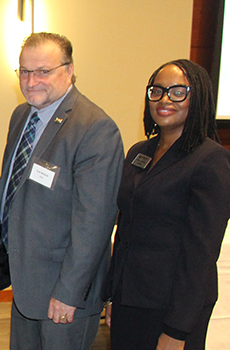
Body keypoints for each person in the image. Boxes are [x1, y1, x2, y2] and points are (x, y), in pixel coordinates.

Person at [0, 32, 124, 349]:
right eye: (24, 71)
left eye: (43, 71)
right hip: (26, 282)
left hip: (64, 293)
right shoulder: (22, 116)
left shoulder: (95, 128)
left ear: (69, 70)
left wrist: (68, 293)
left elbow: (94, 223)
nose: (31, 81)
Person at [103, 59, 230, 350]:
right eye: (157, 91)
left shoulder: (210, 160)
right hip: (129, 298)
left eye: (177, 92)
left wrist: (177, 329)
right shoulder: (140, 151)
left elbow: (201, 254)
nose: (164, 100)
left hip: (172, 306)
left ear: (197, 97)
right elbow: (125, 229)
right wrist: (112, 296)